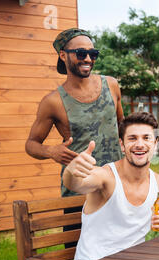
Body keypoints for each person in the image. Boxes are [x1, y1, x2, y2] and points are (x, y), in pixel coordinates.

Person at [63, 112, 159, 260]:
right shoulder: (106, 176)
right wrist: (71, 171)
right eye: (132, 138)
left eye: (146, 138)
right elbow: (76, 184)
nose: (140, 144)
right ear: (122, 145)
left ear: (155, 144)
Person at [25, 28, 124, 246]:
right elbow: (31, 144)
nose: (88, 58)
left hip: (116, 185)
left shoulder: (112, 85)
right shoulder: (53, 102)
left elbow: (122, 127)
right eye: (80, 53)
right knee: (81, 259)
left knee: (123, 252)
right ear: (63, 55)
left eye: (93, 53)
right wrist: (51, 151)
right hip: (79, 191)